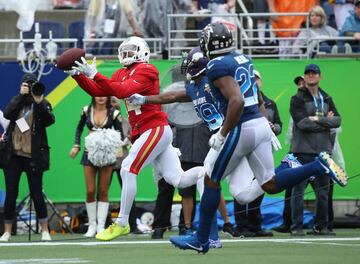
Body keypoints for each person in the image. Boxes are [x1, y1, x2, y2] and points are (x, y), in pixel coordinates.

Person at [168, 22, 347, 254]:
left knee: (211, 179)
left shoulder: (216, 66)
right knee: (270, 185)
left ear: (210, 43)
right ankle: (318, 164)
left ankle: (203, 239)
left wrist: (222, 134)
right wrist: (266, 125)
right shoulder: (243, 59)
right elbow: (256, 98)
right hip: (259, 124)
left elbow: (237, 101)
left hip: (241, 127)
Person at [66, 36, 203, 241]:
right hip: (145, 131)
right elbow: (99, 90)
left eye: (132, 50)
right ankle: (209, 171)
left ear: (143, 51)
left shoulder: (147, 69)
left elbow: (123, 90)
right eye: (125, 50)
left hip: (154, 128)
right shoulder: (121, 72)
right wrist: (78, 76)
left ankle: (122, 222)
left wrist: (95, 74)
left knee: (128, 167)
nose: (127, 54)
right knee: (178, 179)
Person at [0, 73, 55, 242]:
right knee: (11, 194)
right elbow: (8, 114)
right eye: (27, 85)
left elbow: (49, 120)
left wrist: (38, 101)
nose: (30, 88)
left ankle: (45, 230)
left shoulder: (42, 102)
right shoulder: (17, 102)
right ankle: (7, 232)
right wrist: (20, 95)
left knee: (37, 193)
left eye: (32, 85)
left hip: (34, 156)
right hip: (13, 155)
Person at [290, 64, 341, 236]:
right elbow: (302, 123)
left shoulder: (326, 98)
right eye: (308, 74)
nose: (311, 76)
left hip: (323, 152)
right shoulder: (296, 98)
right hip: (302, 151)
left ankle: (321, 227)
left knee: (323, 192)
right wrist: (325, 121)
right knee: (298, 191)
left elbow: (338, 121)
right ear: (304, 77)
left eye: (314, 73)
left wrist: (316, 119)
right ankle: (296, 227)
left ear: (320, 77)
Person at [233, 69, 281, 237]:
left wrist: (274, 128)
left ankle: (254, 225)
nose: (254, 81)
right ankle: (241, 226)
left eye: (257, 79)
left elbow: (278, 124)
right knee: (241, 187)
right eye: (251, 78)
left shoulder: (270, 104)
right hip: (243, 151)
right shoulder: (239, 101)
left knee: (261, 186)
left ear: (260, 82)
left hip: (262, 150)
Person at [69, 96, 123, 237]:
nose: (100, 97)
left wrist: (115, 147)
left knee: (103, 191)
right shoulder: (87, 110)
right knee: (90, 190)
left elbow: (121, 133)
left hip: (107, 156)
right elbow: (79, 128)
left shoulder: (114, 113)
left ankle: (100, 226)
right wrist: (76, 145)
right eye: (97, 94)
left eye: (104, 94)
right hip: (89, 153)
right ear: (93, 96)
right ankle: (91, 226)